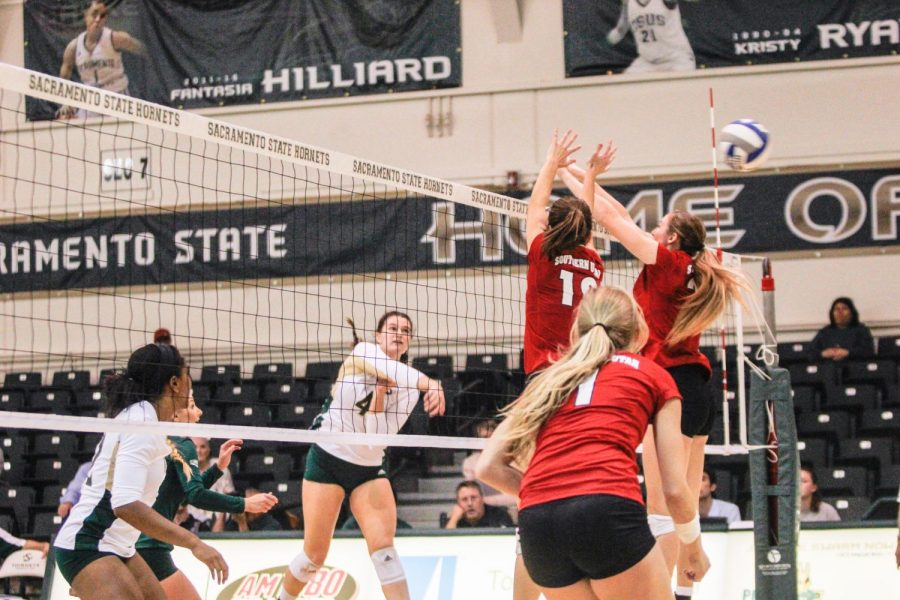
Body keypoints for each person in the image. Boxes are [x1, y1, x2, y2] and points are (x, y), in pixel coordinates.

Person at [576, 146, 747, 600]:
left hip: (668, 389)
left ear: (671, 240)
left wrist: (576, 176)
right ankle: (684, 596)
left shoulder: (668, 264)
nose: (651, 229)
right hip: (698, 391)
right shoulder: (690, 268)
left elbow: (614, 223)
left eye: (659, 226)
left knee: (661, 509)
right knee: (684, 507)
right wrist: (576, 173)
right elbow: (615, 211)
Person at [476, 286, 709, 600]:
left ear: (576, 330)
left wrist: (552, 496)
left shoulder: (551, 378)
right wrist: (693, 549)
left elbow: (487, 467)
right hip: (606, 511)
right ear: (640, 331)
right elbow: (674, 489)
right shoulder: (655, 376)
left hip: (539, 525)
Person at [280, 311, 446, 600]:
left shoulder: (408, 389)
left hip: (367, 468)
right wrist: (433, 384)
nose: (399, 334)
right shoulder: (362, 352)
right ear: (378, 335)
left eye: (405, 331)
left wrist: (381, 396)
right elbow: (394, 370)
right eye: (392, 328)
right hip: (327, 459)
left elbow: (374, 440)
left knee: (384, 551)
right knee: (313, 556)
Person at [52, 343, 227, 600]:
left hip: (120, 545)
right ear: (175, 383)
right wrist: (195, 543)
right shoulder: (141, 424)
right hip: (88, 542)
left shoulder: (149, 420)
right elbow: (125, 505)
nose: (191, 381)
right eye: (186, 374)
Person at [136, 392, 278, 600]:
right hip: (150, 546)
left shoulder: (157, 440)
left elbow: (183, 492)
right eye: (192, 406)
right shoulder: (183, 444)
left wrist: (218, 467)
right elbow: (196, 496)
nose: (199, 412)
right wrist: (244, 504)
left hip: (131, 542)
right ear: (175, 415)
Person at [523, 129, 613, 376]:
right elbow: (585, 217)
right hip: (583, 370)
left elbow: (534, 207)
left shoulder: (544, 253)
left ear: (550, 224)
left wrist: (552, 162)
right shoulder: (594, 261)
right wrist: (590, 176)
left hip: (546, 370)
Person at [57, 0, 145, 118]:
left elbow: (144, 50)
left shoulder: (116, 38)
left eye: (102, 15)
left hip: (117, 98)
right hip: (90, 100)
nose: (98, 19)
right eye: (94, 14)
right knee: (65, 118)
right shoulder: (73, 47)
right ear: (86, 16)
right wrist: (65, 103)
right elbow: (64, 78)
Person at [606, 0, 696, 74]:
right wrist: (605, 42)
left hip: (677, 59)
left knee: (678, 91)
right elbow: (620, 30)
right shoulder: (628, 3)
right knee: (624, 86)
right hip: (647, 62)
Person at [461, 420, 518, 513]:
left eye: (490, 438)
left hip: (513, 509)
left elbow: (515, 497)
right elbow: (472, 494)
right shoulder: (470, 462)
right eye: (483, 438)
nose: (486, 442)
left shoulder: (514, 460)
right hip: (484, 512)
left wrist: (484, 501)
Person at [186, 436, 236, 529]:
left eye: (203, 447)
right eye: (195, 447)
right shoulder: (184, 468)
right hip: (190, 519)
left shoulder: (220, 465)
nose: (198, 451)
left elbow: (228, 494)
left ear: (209, 449)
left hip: (217, 516)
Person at [808, 297, 875, 362]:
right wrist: (822, 354)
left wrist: (848, 353)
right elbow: (809, 352)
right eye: (836, 309)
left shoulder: (862, 330)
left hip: (854, 369)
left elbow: (868, 351)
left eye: (844, 309)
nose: (840, 312)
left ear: (852, 312)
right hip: (828, 370)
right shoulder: (825, 332)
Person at [444, 481, 514, 529]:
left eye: (473, 498)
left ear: (482, 499)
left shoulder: (499, 515)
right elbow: (444, 544)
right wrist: (454, 519)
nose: (470, 503)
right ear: (458, 503)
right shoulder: (453, 520)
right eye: (464, 499)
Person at [218, 488, 283, 533]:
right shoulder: (236, 519)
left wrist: (242, 524)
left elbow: (252, 549)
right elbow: (216, 537)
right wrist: (224, 507)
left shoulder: (271, 525)